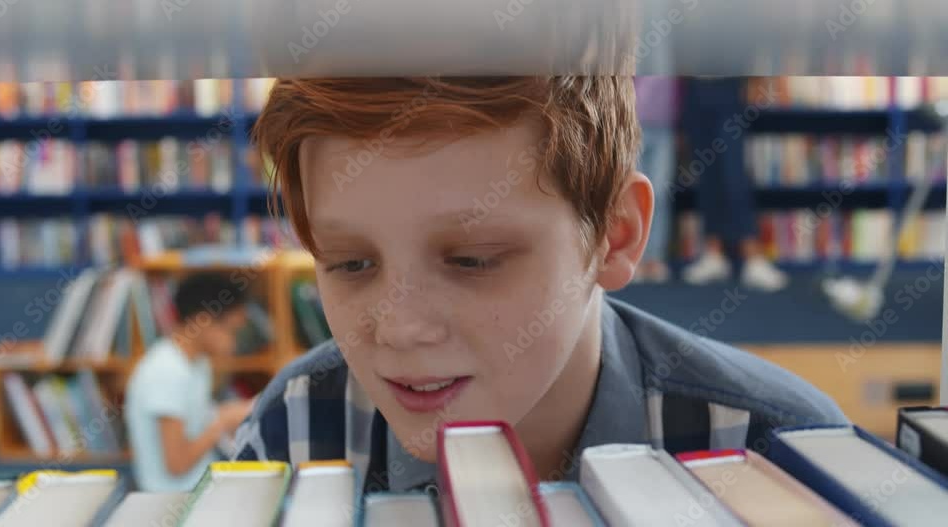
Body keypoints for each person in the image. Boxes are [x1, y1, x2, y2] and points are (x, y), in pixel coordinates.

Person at [232, 77, 847, 495]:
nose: (399, 327)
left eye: (473, 260)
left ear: (616, 234)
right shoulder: (294, 429)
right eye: (349, 263)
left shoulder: (780, 454)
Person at [125, 271, 255, 491]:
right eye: (231, 331)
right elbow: (177, 464)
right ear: (201, 321)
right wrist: (221, 422)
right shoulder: (166, 372)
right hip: (175, 498)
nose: (233, 344)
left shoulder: (196, 363)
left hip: (200, 483)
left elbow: (195, 423)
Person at [680, 77, 789, 292]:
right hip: (696, 91)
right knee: (707, 176)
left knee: (733, 174)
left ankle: (752, 255)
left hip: (729, 90)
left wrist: (759, 81)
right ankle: (714, 252)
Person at [634, 76, 680, 283]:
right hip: (633, 119)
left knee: (660, 192)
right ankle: (635, 257)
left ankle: (654, 257)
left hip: (665, 122)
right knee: (633, 194)